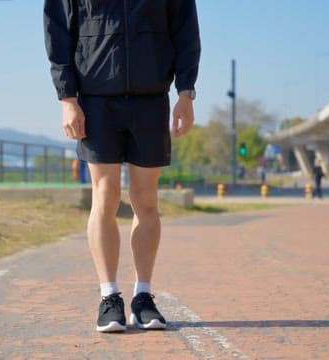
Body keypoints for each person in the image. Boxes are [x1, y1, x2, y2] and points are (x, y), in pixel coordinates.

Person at [44, 0, 200, 333]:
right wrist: (67, 98)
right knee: (106, 194)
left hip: (151, 98)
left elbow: (185, 30)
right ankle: (108, 296)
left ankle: (143, 297)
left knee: (146, 199)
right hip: (95, 100)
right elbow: (58, 33)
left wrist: (185, 92)